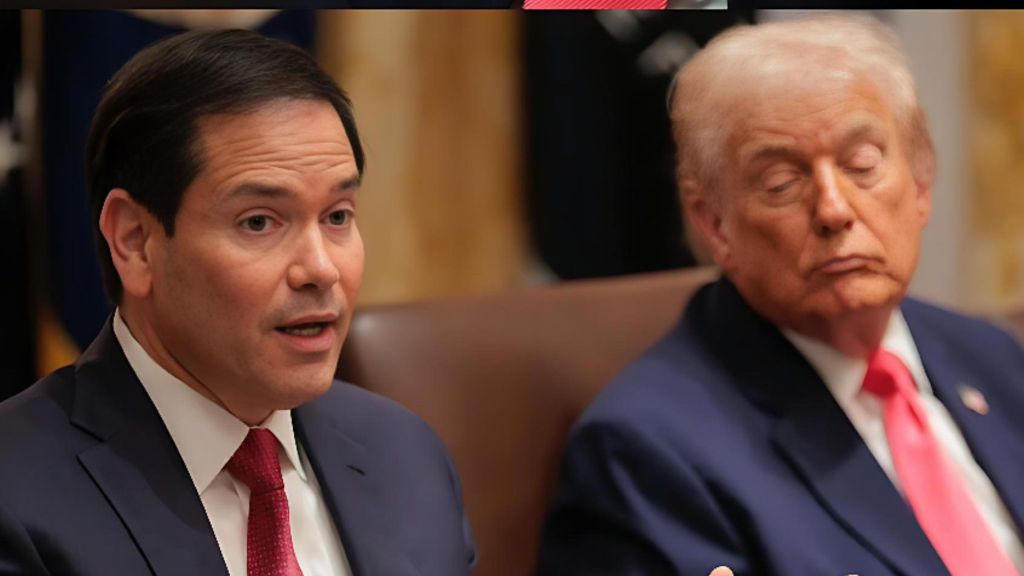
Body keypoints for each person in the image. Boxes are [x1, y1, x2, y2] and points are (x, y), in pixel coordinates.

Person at [537, 14, 1024, 576]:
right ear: (713, 222)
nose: (834, 210)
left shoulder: (992, 355)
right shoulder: (646, 456)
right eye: (781, 185)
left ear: (919, 181)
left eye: (861, 166)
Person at [0, 29, 475, 576]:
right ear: (135, 241)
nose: (320, 268)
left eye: (338, 216)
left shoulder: (405, 454)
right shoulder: (15, 500)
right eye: (259, 222)